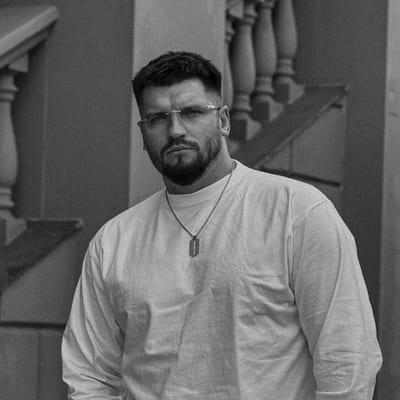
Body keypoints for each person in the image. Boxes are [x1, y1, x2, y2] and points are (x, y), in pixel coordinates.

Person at [62, 51, 382, 399]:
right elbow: (87, 375)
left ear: (224, 120)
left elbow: (347, 359)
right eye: (157, 119)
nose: (175, 130)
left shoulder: (296, 212)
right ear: (143, 133)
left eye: (192, 112)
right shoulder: (114, 242)